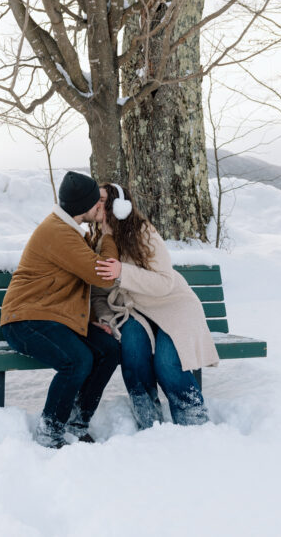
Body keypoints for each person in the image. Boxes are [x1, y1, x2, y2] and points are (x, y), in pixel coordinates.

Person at [0, 171, 122, 448]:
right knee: (77, 360)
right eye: (96, 201)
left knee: (108, 350)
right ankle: (50, 431)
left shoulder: (69, 230)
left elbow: (70, 286)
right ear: (83, 206)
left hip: (52, 316)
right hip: (25, 320)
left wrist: (87, 321)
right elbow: (103, 276)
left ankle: (77, 423)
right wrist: (108, 235)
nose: (100, 206)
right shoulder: (58, 232)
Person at [90, 183, 219, 429]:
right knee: (133, 356)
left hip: (173, 306)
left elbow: (164, 282)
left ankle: (195, 424)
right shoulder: (100, 242)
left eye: (102, 199)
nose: (96, 204)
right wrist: (105, 318)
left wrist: (122, 272)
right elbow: (97, 294)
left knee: (167, 364)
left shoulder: (143, 233)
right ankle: (149, 424)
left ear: (119, 206)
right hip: (136, 313)